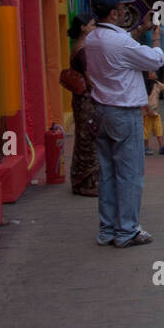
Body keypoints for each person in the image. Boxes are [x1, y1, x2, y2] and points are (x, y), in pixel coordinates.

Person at [84, 0, 164, 247]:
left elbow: (121, 46)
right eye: (120, 9)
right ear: (113, 13)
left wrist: (138, 32)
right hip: (123, 111)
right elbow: (154, 61)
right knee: (129, 174)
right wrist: (155, 38)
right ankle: (127, 230)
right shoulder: (117, 41)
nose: (123, 12)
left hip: (102, 109)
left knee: (108, 173)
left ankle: (108, 228)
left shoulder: (94, 38)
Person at [66, 13, 99, 197]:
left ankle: (82, 180)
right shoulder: (82, 50)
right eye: (92, 25)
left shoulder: (79, 47)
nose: (94, 27)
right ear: (83, 27)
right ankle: (86, 182)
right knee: (88, 140)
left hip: (81, 101)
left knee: (84, 138)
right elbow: (89, 79)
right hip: (86, 100)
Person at [143, 75, 164, 156]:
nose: (155, 74)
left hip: (156, 113)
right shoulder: (143, 86)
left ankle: (162, 146)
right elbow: (142, 99)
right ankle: (145, 147)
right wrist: (148, 109)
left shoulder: (157, 84)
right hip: (146, 114)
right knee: (146, 131)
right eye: (152, 72)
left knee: (159, 129)